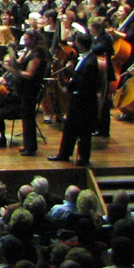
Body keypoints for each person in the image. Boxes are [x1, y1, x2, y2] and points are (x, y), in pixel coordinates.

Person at [48, 33, 103, 167]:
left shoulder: (90, 62)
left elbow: (82, 82)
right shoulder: (84, 58)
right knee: (70, 128)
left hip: (84, 101)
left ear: (79, 44)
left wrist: (69, 80)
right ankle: (64, 154)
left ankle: (83, 158)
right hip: (79, 99)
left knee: (84, 131)